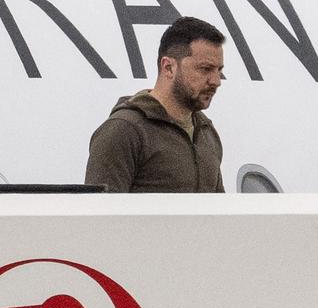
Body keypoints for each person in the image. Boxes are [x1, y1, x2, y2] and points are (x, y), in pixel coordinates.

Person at [85, 16, 226, 192]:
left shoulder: (206, 132)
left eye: (219, 70)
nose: (216, 81)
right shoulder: (123, 131)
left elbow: (219, 215)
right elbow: (99, 216)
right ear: (168, 67)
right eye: (205, 69)